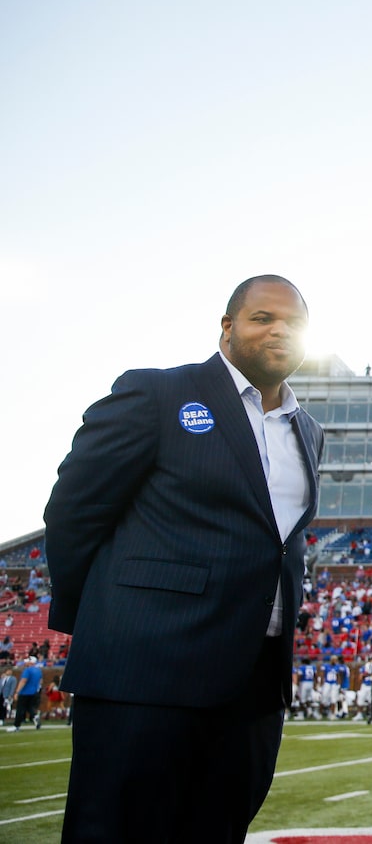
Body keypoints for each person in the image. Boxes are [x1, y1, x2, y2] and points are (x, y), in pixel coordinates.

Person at [43, 274, 324, 842]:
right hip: (144, 671)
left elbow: (279, 544)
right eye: (262, 317)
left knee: (217, 830)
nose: (278, 331)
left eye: (292, 322)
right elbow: (73, 511)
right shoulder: (157, 394)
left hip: (252, 685)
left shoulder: (307, 430)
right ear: (227, 328)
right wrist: (102, 622)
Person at [8, 656, 43, 731]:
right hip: (34, 692)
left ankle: (16, 726)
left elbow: (23, 681)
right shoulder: (38, 670)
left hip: (25, 692)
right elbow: (40, 681)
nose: (25, 662)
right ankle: (35, 716)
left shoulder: (27, 670)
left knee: (20, 709)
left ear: (31, 662)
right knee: (30, 708)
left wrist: (17, 692)